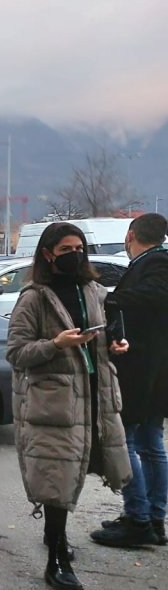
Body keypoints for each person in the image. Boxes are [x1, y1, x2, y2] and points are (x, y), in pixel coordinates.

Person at [6, 221, 131, 590]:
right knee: (58, 475)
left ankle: (54, 535)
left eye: (79, 249)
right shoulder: (34, 297)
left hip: (94, 395)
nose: (74, 255)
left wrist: (114, 345)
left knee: (75, 468)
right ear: (48, 254)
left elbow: (104, 335)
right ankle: (57, 558)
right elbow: (17, 352)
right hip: (53, 404)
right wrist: (55, 344)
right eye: (65, 250)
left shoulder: (93, 291)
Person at [89, 213, 168, 547]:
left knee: (130, 442)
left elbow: (155, 296)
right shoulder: (151, 262)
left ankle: (139, 519)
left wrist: (107, 299)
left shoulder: (156, 263)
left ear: (131, 235)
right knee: (150, 443)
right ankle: (151, 519)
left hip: (142, 372)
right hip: (154, 371)